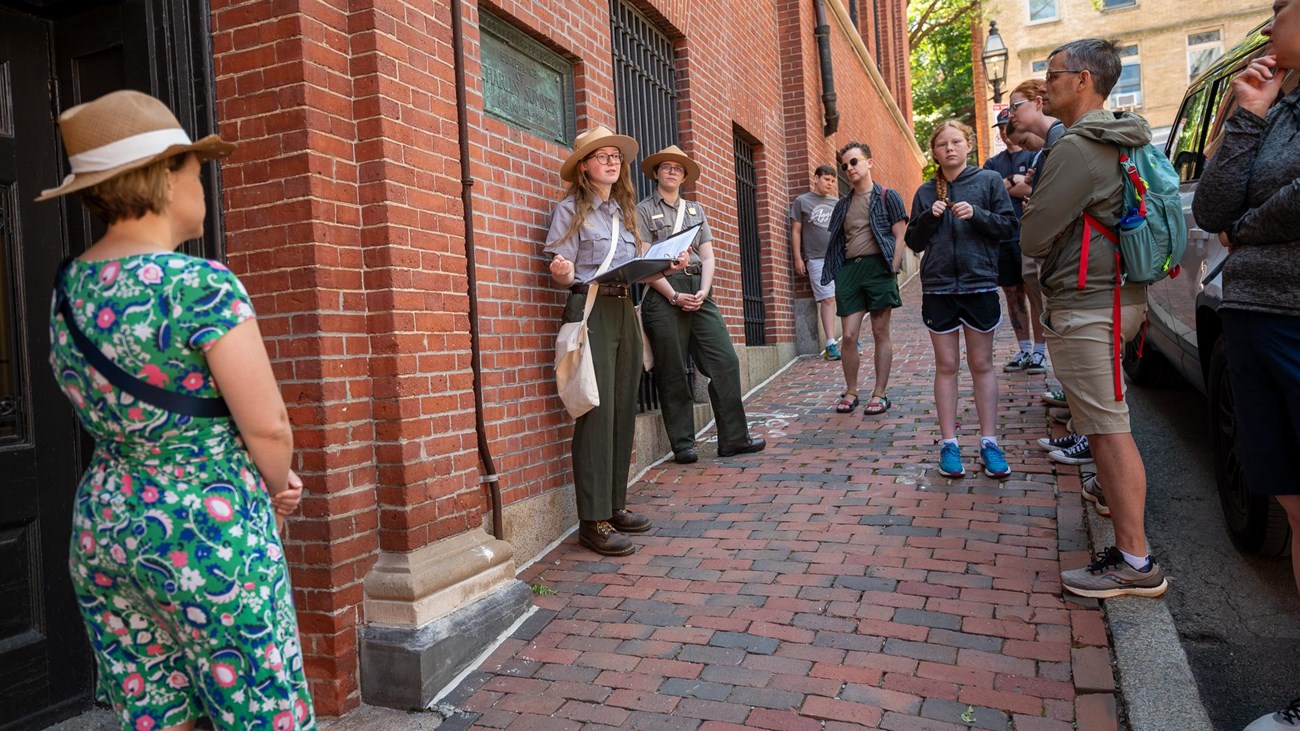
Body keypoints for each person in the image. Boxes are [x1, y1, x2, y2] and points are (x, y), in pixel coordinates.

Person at [38, 90, 314, 730]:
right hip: (207, 527)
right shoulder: (201, 285)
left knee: (157, 712)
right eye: (195, 170)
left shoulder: (66, 289)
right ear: (165, 174)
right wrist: (280, 486)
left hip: (105, 524)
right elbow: (267, 424)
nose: (202, 186)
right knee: (259, 708)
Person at [1020, 39, 1167, 599]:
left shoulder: (1079, 148)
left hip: (1090, 306)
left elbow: (1033, 235)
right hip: (1119, 297)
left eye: (1052, 74)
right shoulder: (1121, 133)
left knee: (1107, 430)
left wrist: (1038, 210)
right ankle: (1121, 518)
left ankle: (1134, 560)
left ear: (1082, 79)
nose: (1045, 84)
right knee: (1107, 423)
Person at [1191, 2, 1300, 727]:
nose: (1267, 27)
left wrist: (1246, 231)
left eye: (1279, 10)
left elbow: (1249, 215)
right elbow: (1210, 205)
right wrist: (1249, 117)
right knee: (1294, 508)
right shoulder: (1272, 101)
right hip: (1256, 315)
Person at [545, 126, 686, 555]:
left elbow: (640, 268)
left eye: (614, 156)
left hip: (626, 309)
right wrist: (562, 273)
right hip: (591, 309)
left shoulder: (625, 211)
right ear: (584, 166)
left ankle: (615, 504)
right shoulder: (569, 209)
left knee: (623, 407)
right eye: (600, 155)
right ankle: (593, 520)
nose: (610, 161)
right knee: (595, 409)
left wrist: (670, 267)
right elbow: (561, 264)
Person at [636, 145, 766, 465]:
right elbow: (643, 261)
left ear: (684, 176)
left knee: (724, 361)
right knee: (672, 372)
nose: (672, 171)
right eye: (666, 167)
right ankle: (683, 444)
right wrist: (674, 295)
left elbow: (707, 255)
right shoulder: (641, 211)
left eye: (678, 168)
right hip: (665, 293)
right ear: (656, 173)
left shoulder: (696, 209)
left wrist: (704, 291)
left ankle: (734, 439)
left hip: (699, 291)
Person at [905, 120, 1019, 479]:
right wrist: (928, 217)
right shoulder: (926, 191)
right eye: (942, 144)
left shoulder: (987, 182)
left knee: (982, 365)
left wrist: (978, 214)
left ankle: (989, 442)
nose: (949, 149)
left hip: (980, 283)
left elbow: (1009, 228)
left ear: (968, 145)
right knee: (947, 366)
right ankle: (949, 444)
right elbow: (913, 241)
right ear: (934, 152)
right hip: (939, 288)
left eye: (956, 142)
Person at [819, 141, 909, 416]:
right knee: (848, 335)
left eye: (854, 162)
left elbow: (900, 235)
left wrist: (891, 267)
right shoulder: (842, 204)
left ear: (869, 162)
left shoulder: (887, 195)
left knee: (880, 332)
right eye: (845, 165)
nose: (849, 168)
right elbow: (836, 240)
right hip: (850, 271)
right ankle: (851, 390)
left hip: (878, 269)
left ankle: (880, 393)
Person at [982, 110, 1044, 374]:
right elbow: (987, 196)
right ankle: (1024, 350)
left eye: (1009, 125)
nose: (1005, 131)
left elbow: (1033, 189)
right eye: (1001, 127)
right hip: (1003, 238)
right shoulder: (992, 163)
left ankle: (1040, 352)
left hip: (1030, 234)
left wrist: (1006, 187)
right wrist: (1011, 182)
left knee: (1035, 294)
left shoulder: (1033, 154)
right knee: (1012, 294)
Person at [790, 165, 842, 360]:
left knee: (844, 297)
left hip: (838, 257)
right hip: (816, 258)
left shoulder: (837, 203)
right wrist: (798, 257)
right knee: (827, 299)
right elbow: (795, 231)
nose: (830, 183)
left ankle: (849, 339)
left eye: (832, 181)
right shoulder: (802, 202)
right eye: (827, 179)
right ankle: (830, 343)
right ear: (816, 178)